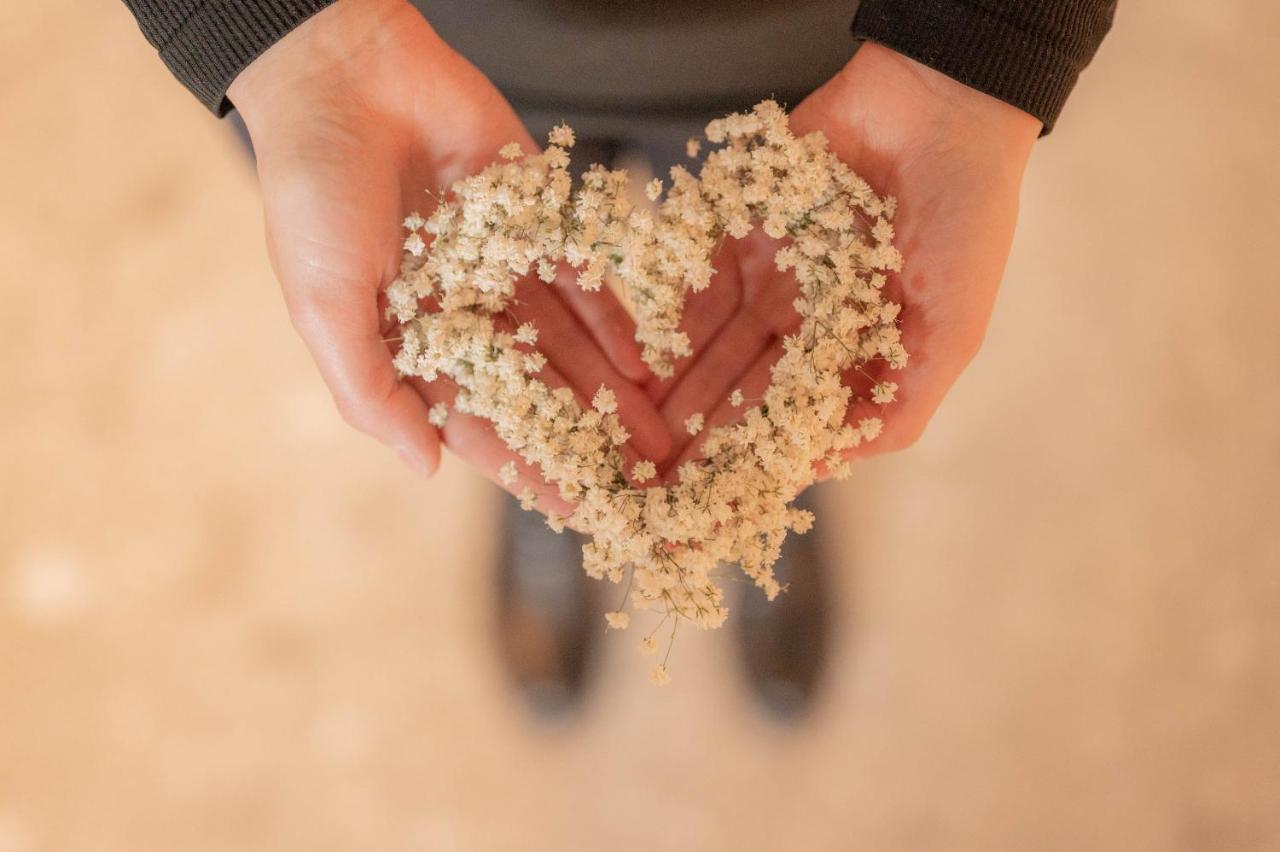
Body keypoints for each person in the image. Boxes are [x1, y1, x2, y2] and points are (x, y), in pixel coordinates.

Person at [122, 0, 1116, 715]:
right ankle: (557, 459)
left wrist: (982, 34)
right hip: (397, 34)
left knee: (784, 297)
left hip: (838, 37)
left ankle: (766, 460)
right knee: (506, 309)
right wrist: (277, 32)